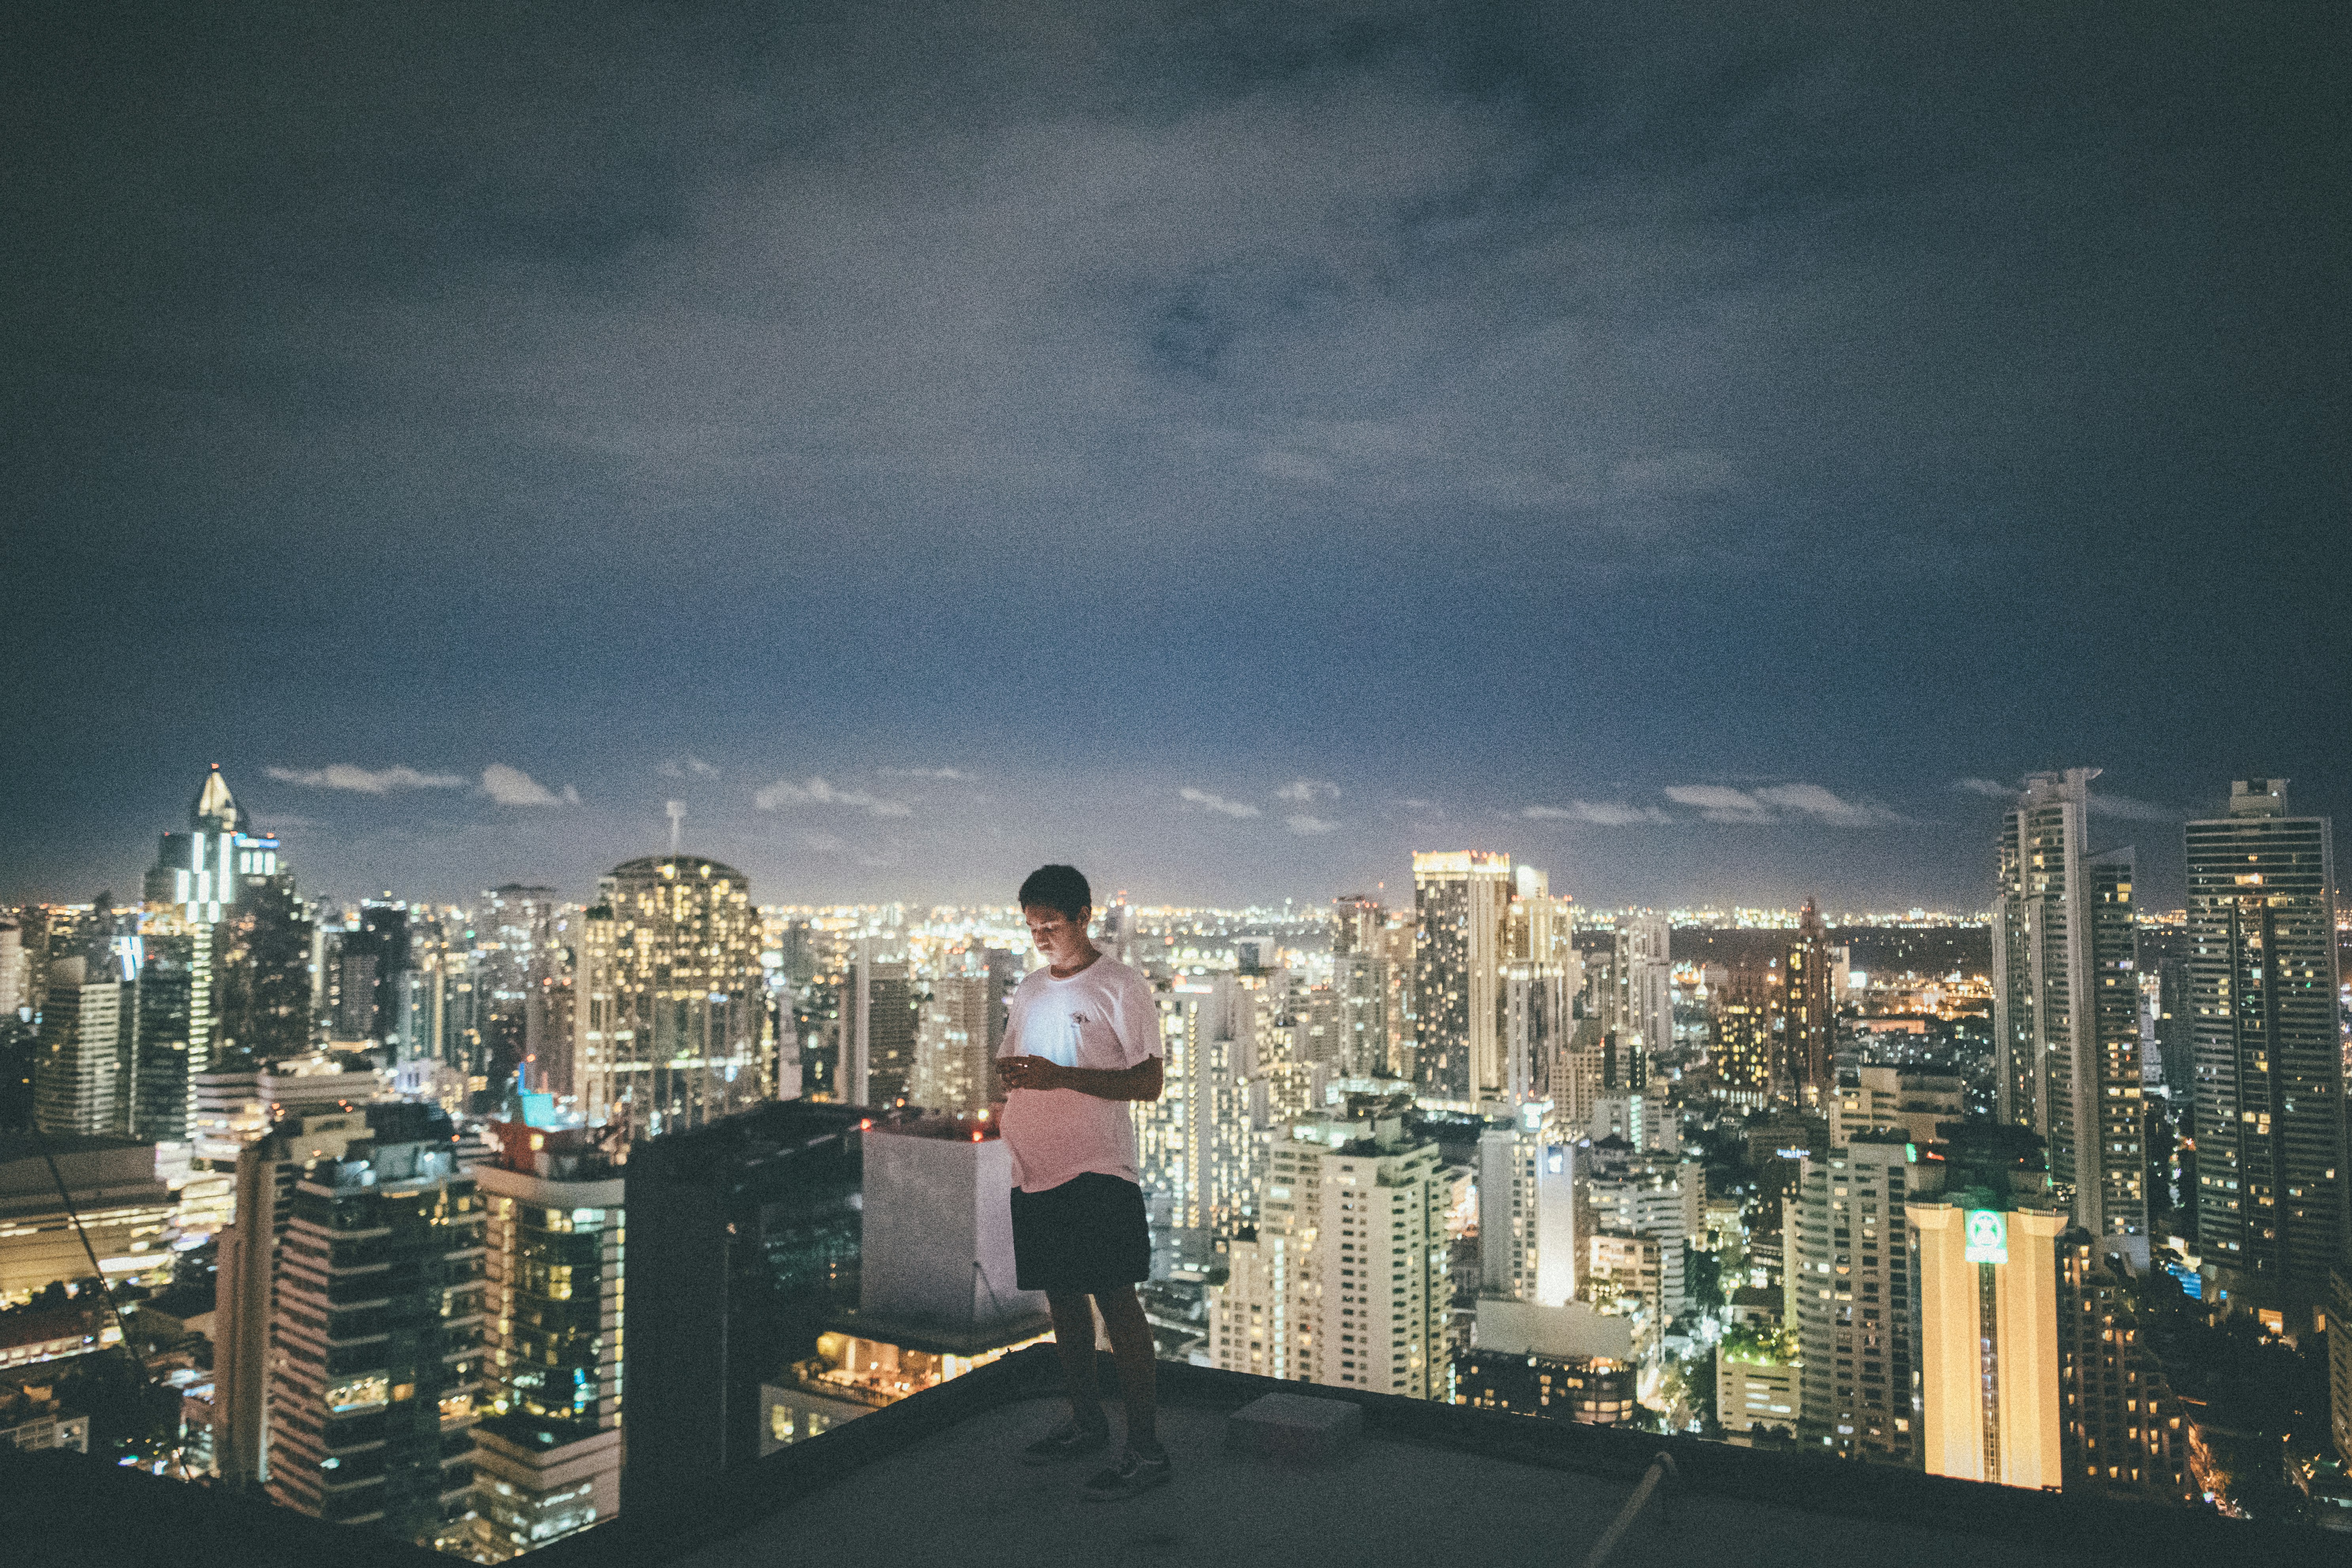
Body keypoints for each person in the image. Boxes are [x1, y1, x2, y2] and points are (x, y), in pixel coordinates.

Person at [994, 864, 1169, 1500]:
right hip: (1035, 1171)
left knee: (1115, 1301)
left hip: (1096, 1167)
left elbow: (1148, 1082)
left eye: (1051, 923)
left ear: (1083, 916)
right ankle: (1086, 1422)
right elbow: (1018, 1062)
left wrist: (1056, 1077)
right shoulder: (1032, 988)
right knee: (1063, 1300)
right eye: (1032, 926)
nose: (1041, 936)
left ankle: (1145, 1447)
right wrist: (1015, 1080)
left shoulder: (1120, 986)